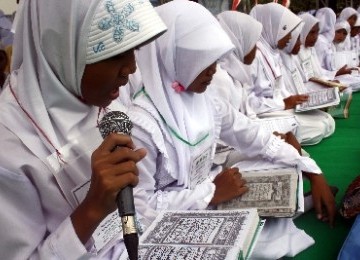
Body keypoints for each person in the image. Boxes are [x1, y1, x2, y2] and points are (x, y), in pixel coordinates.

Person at [127, 1, 336, 258]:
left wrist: (310, 168)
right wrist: (211, 193)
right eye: (203, 61)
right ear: (173, 58)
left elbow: (253, 135)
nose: (213, 71)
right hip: (181, 214)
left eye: (215, 61)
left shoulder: (206, 101)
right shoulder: (141, 125)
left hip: (214, 189)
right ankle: (288, 210)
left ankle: (293, 201)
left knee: (278, 165)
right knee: (265, 244)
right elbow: (138, 210)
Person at [0, 0, 166, 258]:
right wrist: (92, 209)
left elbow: (136, 206)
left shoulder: (100, 104)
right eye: (114, 54)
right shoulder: (8, 145)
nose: (132, 69)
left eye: (133, 50)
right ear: (61, 48)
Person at [279, 21, 335, 145]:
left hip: (296, 104)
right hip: (281, 110)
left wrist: (312, 100)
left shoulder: (290, 57)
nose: (300, 43)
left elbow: (304, 83)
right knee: (321, 127)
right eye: (297, 39)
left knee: (328, 121)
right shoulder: (278, 59)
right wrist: (286, 103)